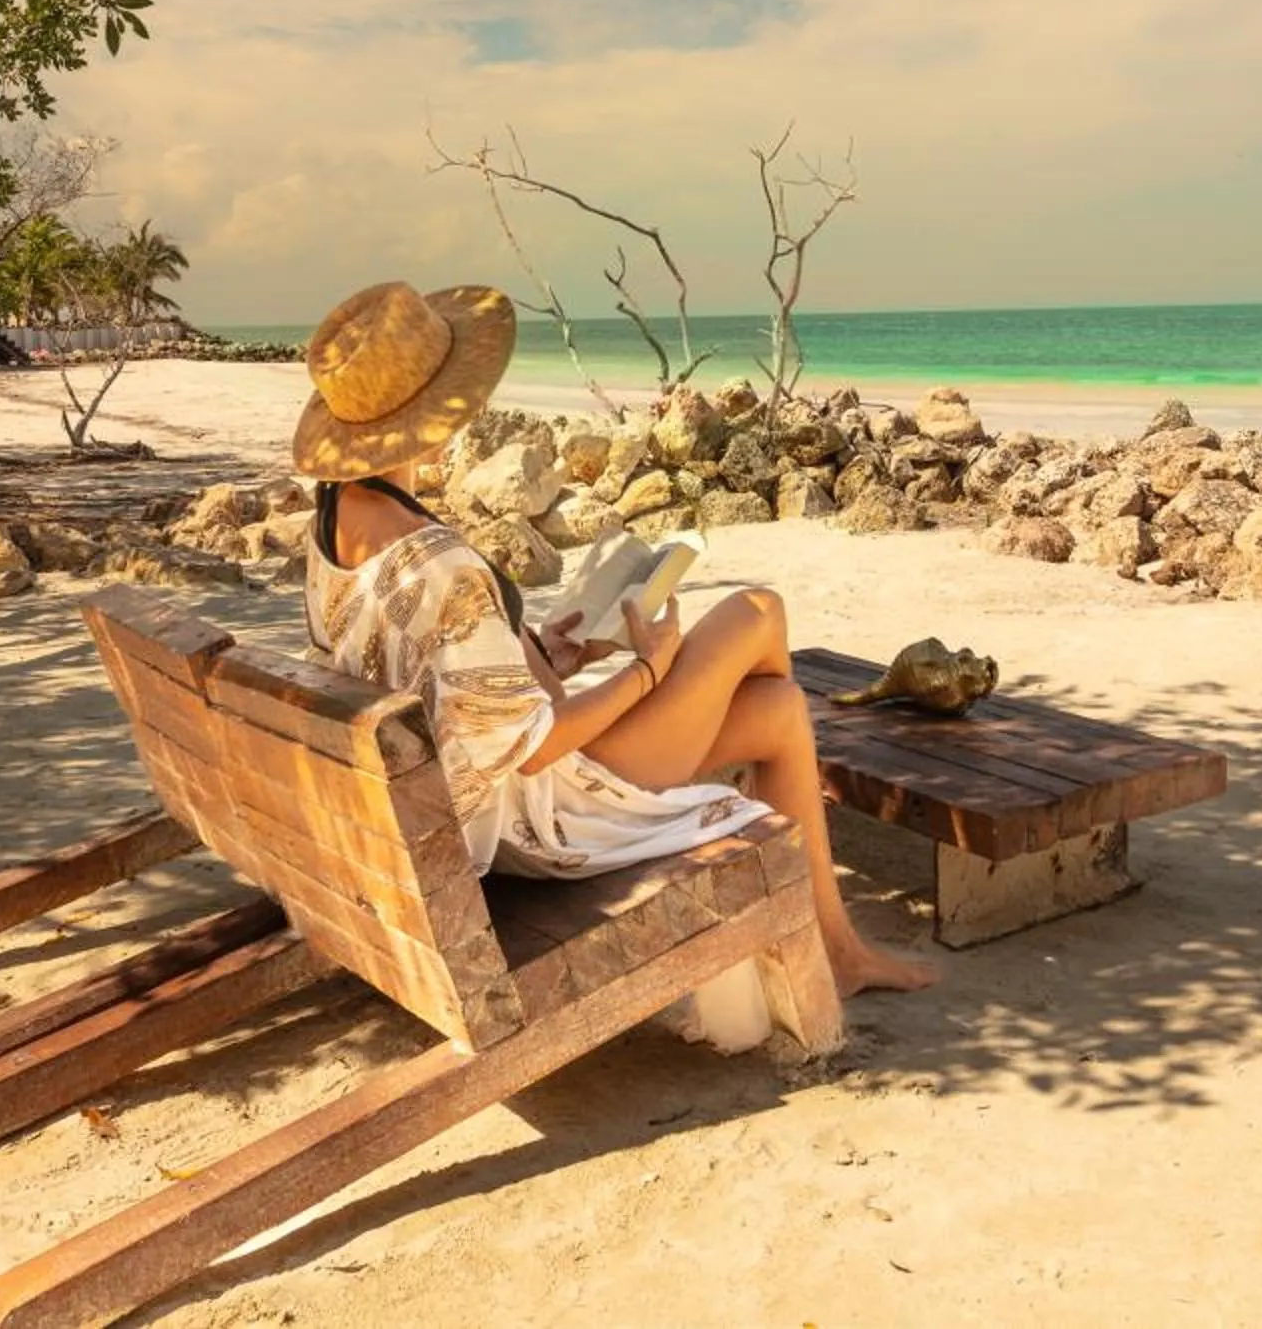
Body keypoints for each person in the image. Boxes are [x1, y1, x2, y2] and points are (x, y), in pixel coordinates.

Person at [295, 278, 936, 998]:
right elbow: (530, 747)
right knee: (758, 612)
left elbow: (437, 676)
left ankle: (835, 948)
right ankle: (749, 860)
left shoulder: (332, 530)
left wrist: (545, 652)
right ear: (438, 412)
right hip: (549, 816)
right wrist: (647, 672)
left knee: (780, 708)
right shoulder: (437, 561)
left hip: (464, 802)